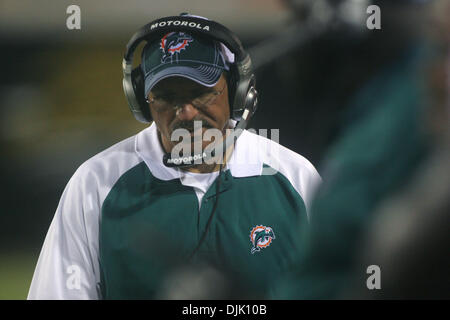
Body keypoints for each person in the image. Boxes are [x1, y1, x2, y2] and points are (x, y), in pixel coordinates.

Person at [28, 14, 321, 299]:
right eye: (167, 96)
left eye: (202, 92)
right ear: (142, 103)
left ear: (236, 91)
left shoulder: (295, 177)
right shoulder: (96, 183)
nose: (187, 112)